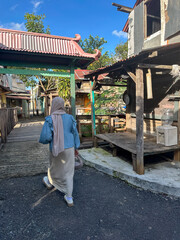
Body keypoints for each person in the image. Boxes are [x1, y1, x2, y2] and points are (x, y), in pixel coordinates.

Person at [39, 97, 80, 207]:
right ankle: (69, 197)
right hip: (69, 147)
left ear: (53, 106)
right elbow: (75, 134)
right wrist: (76, 147)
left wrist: (53, 139)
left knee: (54, 166)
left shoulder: (49, 119)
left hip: (56, 148)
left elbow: (45, 137)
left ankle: (49, 181)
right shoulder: (70, 118)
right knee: (68, 171)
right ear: (62, 105)